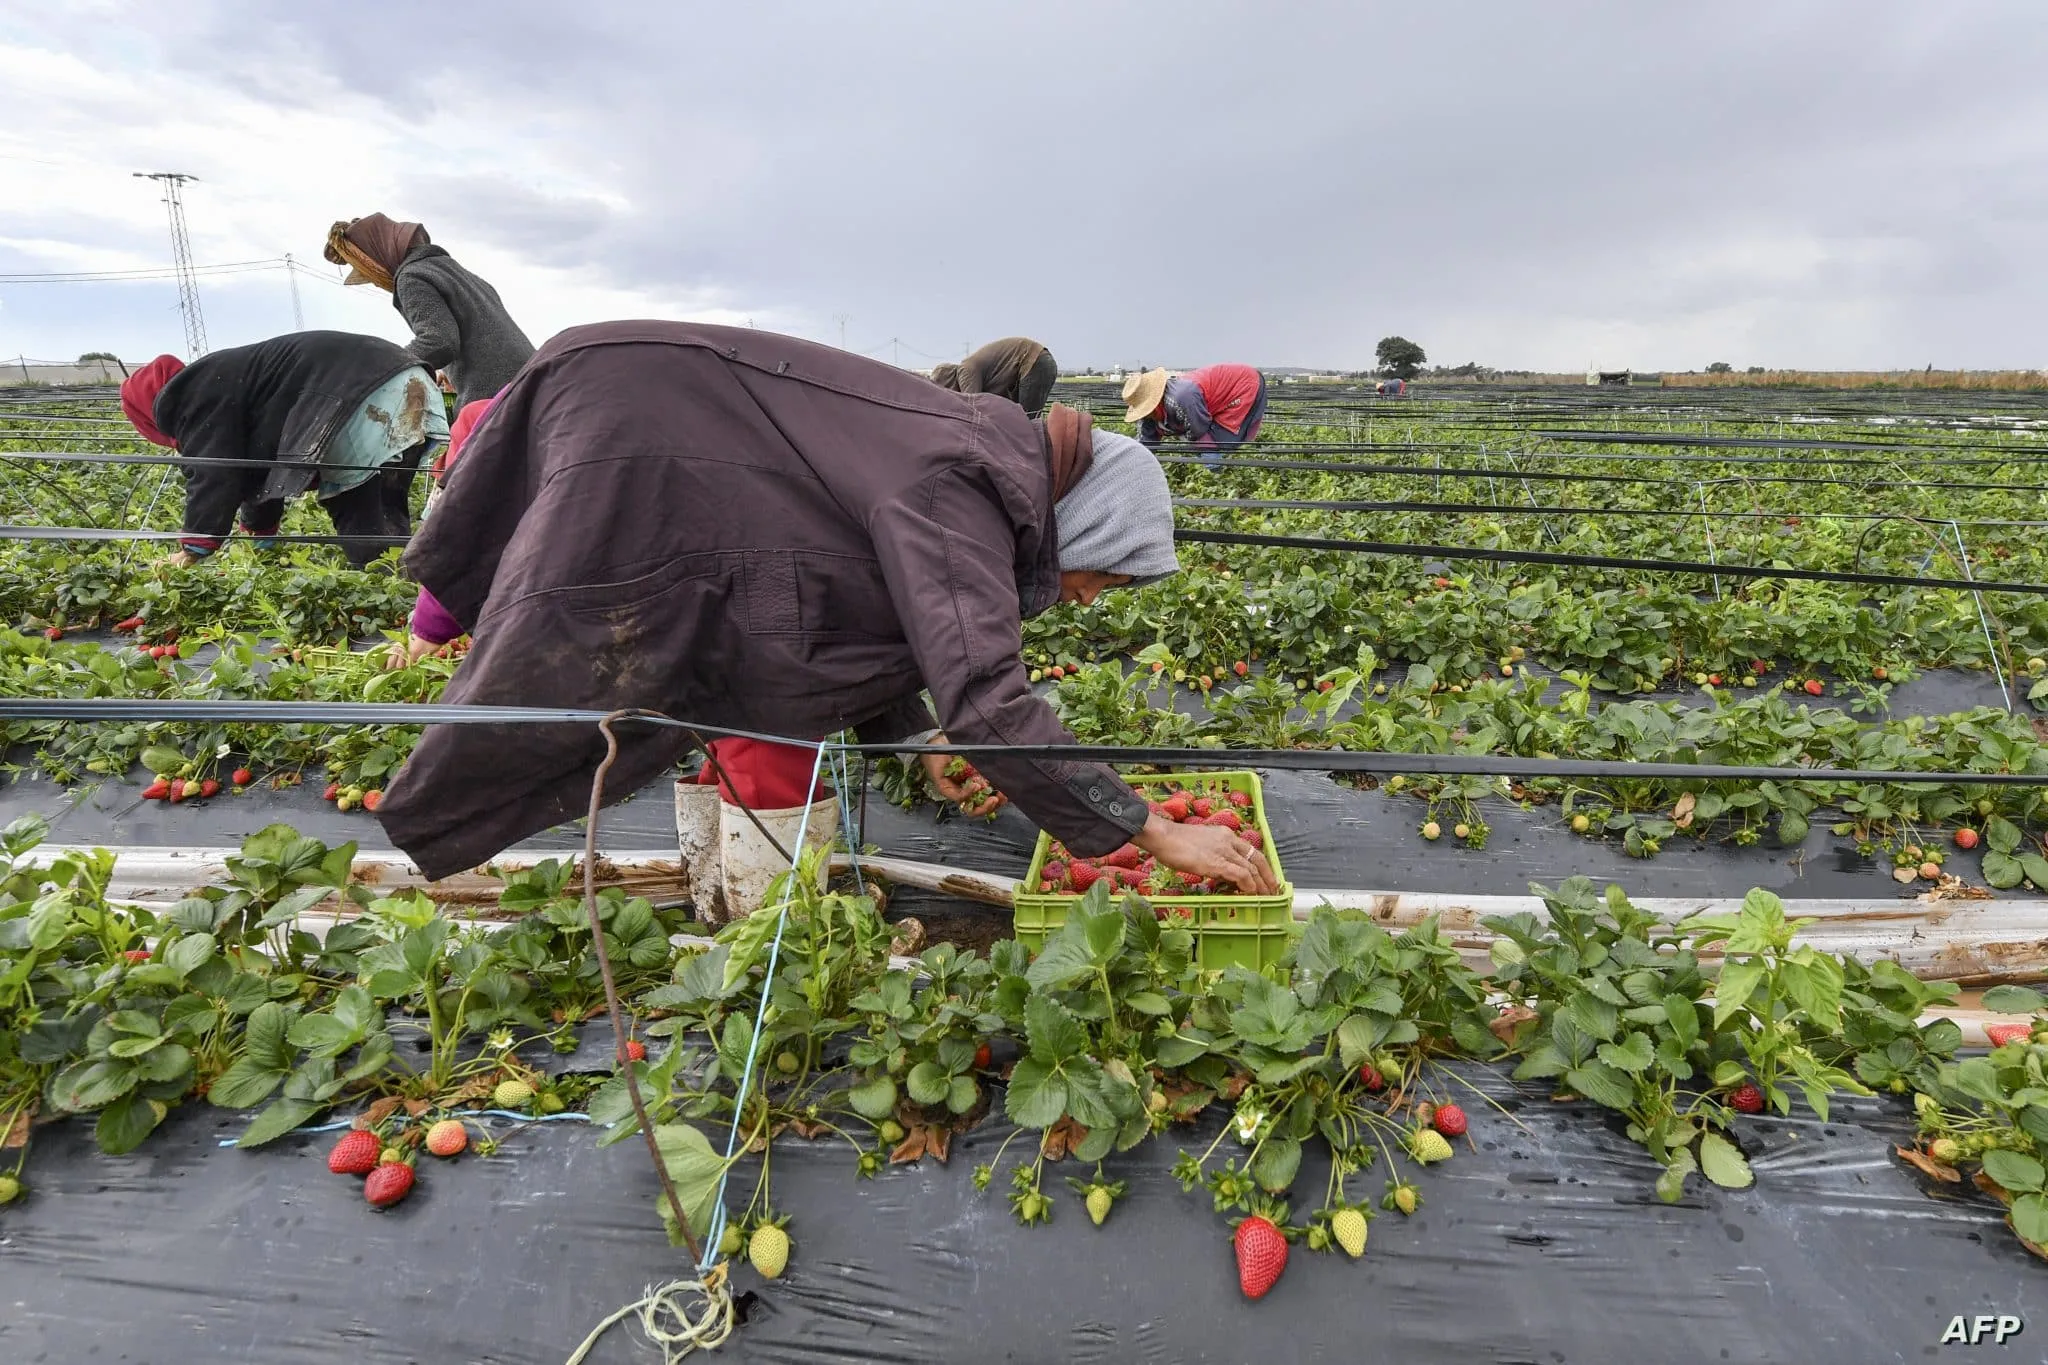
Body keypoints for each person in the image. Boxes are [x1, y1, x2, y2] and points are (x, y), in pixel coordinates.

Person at [372, 321, 1276, 906]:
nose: (1084, 599)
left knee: (706, 681)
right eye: (1103, 578)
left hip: (640, 412)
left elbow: (857, 607)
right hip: (636, 438)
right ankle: (765, 928)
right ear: (1085, 522)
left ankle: (726, 898)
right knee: (639, 675)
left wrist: (918, 739)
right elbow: (989, 699)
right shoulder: (963, 488)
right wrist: (1155, 829)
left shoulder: (973, 469)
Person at [117, 332, 448, 569]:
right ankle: (401, 587)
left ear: (148, 416)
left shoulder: (194, 395)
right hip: (411, 378)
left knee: (356, 506)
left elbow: (216, 473)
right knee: (385, 500)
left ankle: (379, 598)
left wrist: (193, 548)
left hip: (365, 393)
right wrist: (261, 535)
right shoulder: (224, 378)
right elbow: (260, 465)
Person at [324, 213, 535, 409]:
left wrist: (381, 370)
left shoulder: (411, 277)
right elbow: (479, 337)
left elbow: (439, 342)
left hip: (497, 399)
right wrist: (450, 370)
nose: (376, 283)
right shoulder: (452, 270)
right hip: (530, 381)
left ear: (377, 258)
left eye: (368, 274)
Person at [1122, 364, 1268, 468]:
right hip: (1209, 399)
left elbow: (1198, 430)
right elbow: (1147, 443)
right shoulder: (1151, 413)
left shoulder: (1182, 397)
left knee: (1218, 443)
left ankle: (1217, 473)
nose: (1147, 414)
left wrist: (1206, 452)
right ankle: (1212, 464)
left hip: (1243, 386)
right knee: (1196, 442)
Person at [926, 337, 1060, 418]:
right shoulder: (976, 372)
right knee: (1023, 421)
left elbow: (973, 408)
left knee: (1027, 425)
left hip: (1034, 362)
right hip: (1039, 362)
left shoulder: (965, 370)